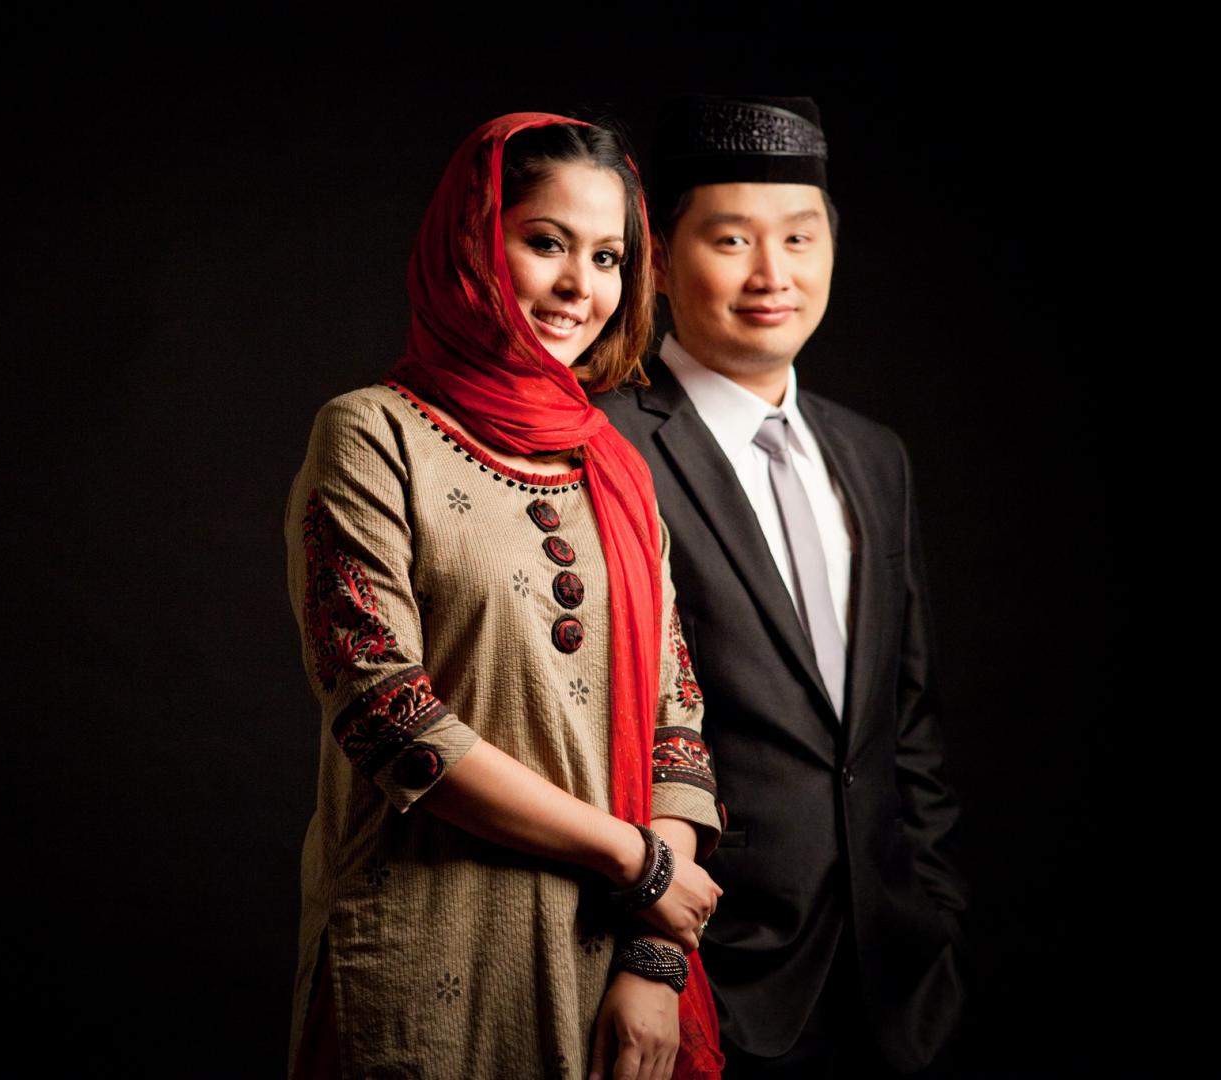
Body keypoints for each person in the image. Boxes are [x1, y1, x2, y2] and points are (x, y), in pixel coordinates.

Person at [284, 113, 729, 1079]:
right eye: (545, 242)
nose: (580, 287)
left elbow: (675, 721)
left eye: (607, 257)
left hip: (605, 962)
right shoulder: (373, 436)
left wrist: (655, 958)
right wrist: (637, 864)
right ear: (472, 243)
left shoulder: (612, 469)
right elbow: (388, 716)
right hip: (421, 955)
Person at [595, 95, 969, 1076]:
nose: (773, 274)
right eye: (732, 240)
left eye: (800, 238)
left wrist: (932, 903)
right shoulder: (606, 443)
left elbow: (907, 718)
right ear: (659, 260)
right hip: (703, 966)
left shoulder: (873, 454)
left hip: (896, 974)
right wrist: (650, 942)